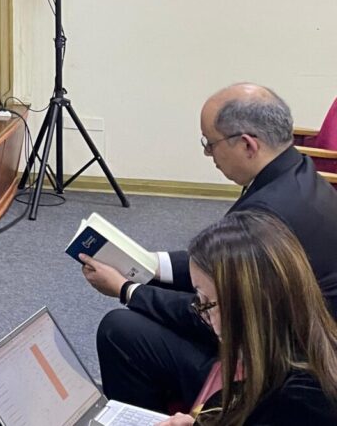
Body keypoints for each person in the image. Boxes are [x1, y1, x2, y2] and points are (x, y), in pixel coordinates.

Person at [79, 83, 337, 413]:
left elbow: (214, 314)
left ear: (247, 144)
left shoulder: (267, 215)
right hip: (299, 345)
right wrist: (150, 264)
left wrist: (127, 290)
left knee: (120, 330)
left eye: (210, 143)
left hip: (271, 368)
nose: (208, 155)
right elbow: (218, 271)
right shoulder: (297, 174)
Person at [154, 211, 337, 425]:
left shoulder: (299, 401)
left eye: (207, 303)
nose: (203, 315)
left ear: (250, 306)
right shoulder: (299, 357)